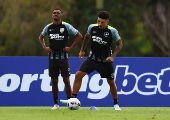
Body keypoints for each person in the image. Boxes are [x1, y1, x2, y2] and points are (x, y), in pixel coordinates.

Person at [61, 11, 123, 110]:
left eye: (102, 22)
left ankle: (116, 104)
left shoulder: (112, 31)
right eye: (98, 21)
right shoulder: (92, 28)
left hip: (105, 62)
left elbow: (120, 44)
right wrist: (82, 50)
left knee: (111, 82)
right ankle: (72, 99)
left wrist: (112, 57)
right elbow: (86, 37)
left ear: (107, 21)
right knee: (78, 75)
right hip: (92, 59)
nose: (99, 24)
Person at [39, 8, 83, 110]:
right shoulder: (48, 27)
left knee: (66, 80)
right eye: (54, 13)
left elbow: (79, 35)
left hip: (63, 58)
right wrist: (45, 47)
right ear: (52, 15)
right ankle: (56, 104)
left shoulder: (66, 26)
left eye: (58, 13)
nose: (55, 14)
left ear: (61, 16)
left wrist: (70, 47)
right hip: (52, 58)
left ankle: (70, 101)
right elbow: (41, 37)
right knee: (54, 81)